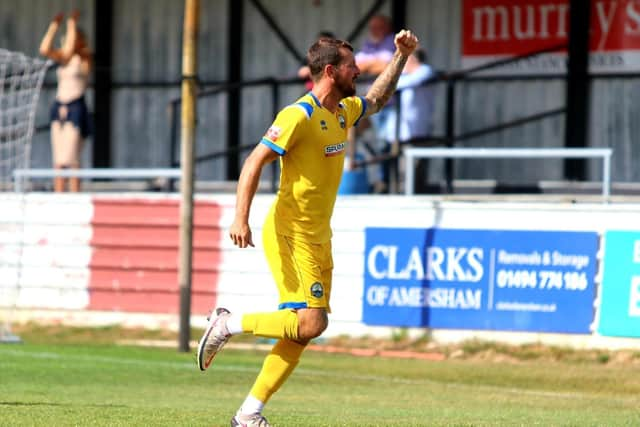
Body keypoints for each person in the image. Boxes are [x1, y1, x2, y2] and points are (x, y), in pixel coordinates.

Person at [197, 30, 419, 427]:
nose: (358, 70)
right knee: (313, 322)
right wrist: (239, 217)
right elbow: (253, 162)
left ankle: (249, 413)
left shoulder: (343, 111)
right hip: (290, 230)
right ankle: (227, 323)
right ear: (332, 71)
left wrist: (401, 56)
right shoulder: (297, 115)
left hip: (318, 236)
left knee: (301, 330)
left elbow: (379, 100)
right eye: (352, 66)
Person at [39, 10, 92, 192]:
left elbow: (70, 50)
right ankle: (59, 193)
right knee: (59, 158)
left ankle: (75, 193)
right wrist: (54, 26)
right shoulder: (63, 59)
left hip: (75, 107)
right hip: (60, 107)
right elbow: (44, 49)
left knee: (72, 156)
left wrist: (71, 25)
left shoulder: (83, 58)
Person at [375, 48, 436, 193]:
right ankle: (396, 192)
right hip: (401, 133)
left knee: (415, 172)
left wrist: (391, 80)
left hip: (417, 132)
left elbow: (393, 84)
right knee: (399, 171)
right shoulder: (407, 76)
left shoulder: (425, 71)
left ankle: (413, 199)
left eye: (405, 61)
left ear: (413, 59)